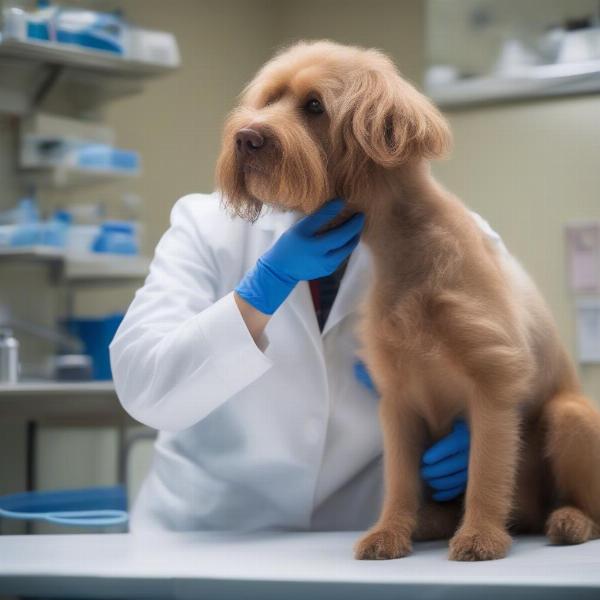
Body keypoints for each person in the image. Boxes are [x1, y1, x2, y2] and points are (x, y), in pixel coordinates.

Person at [110, 194, 473, 532]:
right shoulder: (208, 225)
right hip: (205, 529)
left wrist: (472, 431)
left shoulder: (451, 233)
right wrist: (263, 289)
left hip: (355, 535)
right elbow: (146, 387)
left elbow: (516, 377)